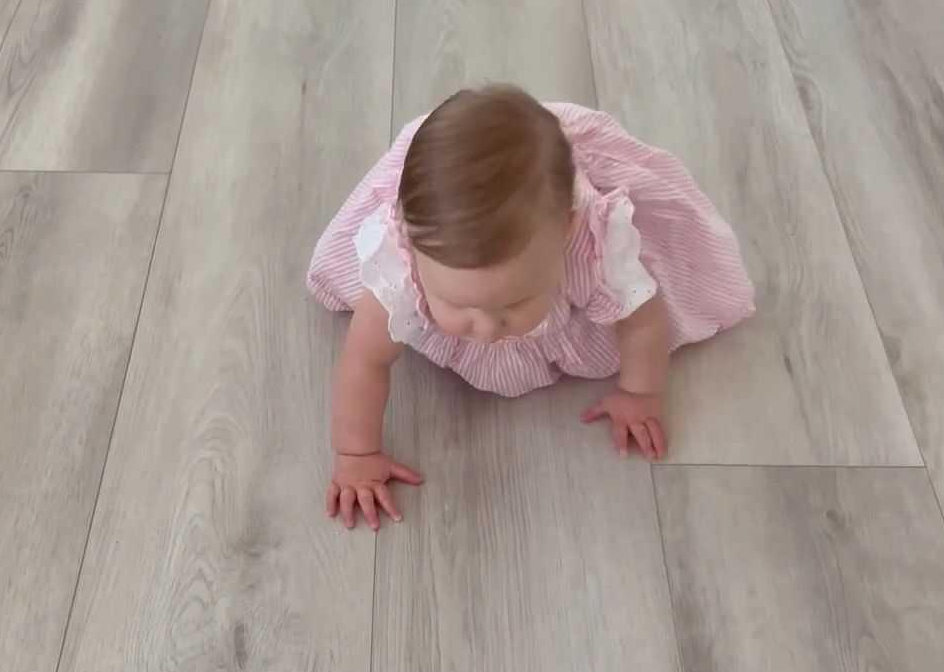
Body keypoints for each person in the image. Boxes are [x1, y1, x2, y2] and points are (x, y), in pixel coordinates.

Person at [307, 86, 753, 530]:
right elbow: (364, 360)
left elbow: (642, 320)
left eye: (515, 301)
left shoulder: (591, 245)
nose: (484, 330)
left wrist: (640, 393)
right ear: (408, 240)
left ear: (567, 229)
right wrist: (355, 453)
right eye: (455, 302)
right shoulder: (401, 262)